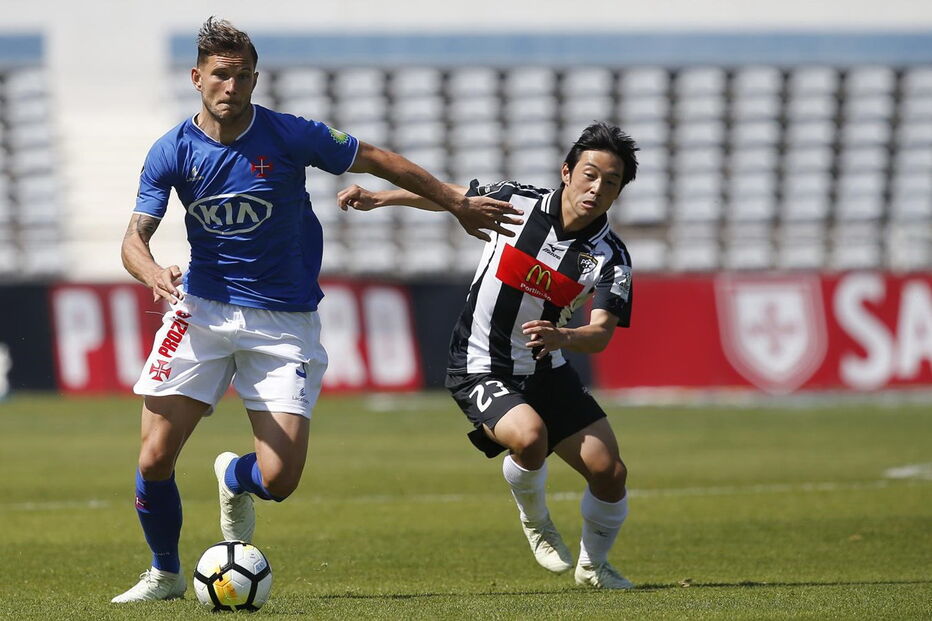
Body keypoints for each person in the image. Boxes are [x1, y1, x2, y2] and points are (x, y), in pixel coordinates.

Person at [111, 17, 521, 603]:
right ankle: (164, 573)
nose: (232, 86)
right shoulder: (171, 150)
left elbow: (376, 159)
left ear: (256, 80)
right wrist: (152, 273)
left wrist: (454, 200)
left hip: (283, 321)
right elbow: (134, 238)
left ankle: (233, 476)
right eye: (221, 75)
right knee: (154, 457)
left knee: (279, 481)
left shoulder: (290, 135)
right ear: (197, 78)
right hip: (199, 311)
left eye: (243, 76)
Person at [337, 122, 638, 589]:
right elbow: (452, 197)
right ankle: (536, 521)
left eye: (611, 182)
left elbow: (600, 334)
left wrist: (565, 337)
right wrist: (382, 198)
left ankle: (593, 567)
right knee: (530, 437)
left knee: (610, 472)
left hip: (546, 367)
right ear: (566, 172)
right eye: (590, 174)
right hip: (479, 363)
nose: (597, 188)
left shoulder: (610, 257)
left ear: (619, 192)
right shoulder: (517, 203)